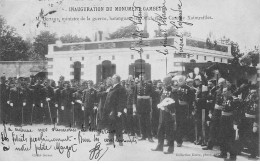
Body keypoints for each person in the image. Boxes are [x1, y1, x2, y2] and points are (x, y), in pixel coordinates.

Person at [214, 80, 239, 161]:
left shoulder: (234, 100)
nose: (223, 93)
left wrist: (235, 123)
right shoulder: (225, 98)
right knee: (223, 137)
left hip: (230, 120)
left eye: (225, 91)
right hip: (223, 119)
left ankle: (232, 157)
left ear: (230, 91)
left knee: (230, 139)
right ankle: (223, 153)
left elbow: (236, 112)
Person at [151, 75, 176, 154]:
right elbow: (161, 99)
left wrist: (169, 109)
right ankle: (160, 146)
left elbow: (174, 101)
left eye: (165, 81)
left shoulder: (172, 90)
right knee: (160, 130)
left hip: (168, 113)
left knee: (169, 132)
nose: (163, 83)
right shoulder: (164, 89)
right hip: (162, 113)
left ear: (168, 82)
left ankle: (170, 149)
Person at [103, 74, 127, 146]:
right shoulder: (112, 87)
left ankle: (120, 141)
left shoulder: (121, 88)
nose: (111, 80)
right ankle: (111, 140)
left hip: (116, 110)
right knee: (110, 125)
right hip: (109, 109)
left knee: (118, 125)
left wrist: (120, 110)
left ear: (117, 80)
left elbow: (122, 100)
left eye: (113, 79)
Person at [239, 85, 259, 159]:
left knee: (253, 138)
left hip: (253, 120)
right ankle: (241, 149)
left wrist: (256, 123)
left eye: (254, 92)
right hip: (245, 119)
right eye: (251, 92)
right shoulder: (248, 99)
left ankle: (253, 154)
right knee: (244, 135)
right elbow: (243, 107)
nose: (252, 94)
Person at [172, 75, 191, 147]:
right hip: (177, 109)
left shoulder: (188, 89)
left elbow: (191, 99)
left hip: (185, 108)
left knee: (183, 124)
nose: (180, 81)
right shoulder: (176, 88)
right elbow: (174, 98)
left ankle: (180, 139)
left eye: (181, 80)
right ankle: (178, 140)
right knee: (178, 124)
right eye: (179, 80)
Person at [133, 75, 154, 142]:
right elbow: (134, 96)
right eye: (140, 78)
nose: (141, 79)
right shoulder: (137, 85)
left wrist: (147, 97)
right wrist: (134, 105)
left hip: (146, 104)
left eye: (142, 78)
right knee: (141, 121)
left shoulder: (149, 85)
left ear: (145, 78)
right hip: (139, 105)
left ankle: (149, 136)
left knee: (148, 121)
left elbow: (152, 93)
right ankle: (143, 135)